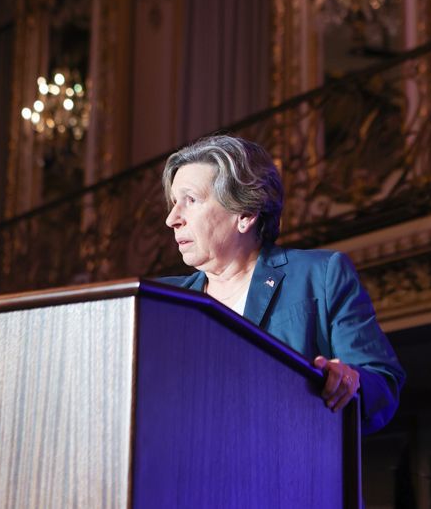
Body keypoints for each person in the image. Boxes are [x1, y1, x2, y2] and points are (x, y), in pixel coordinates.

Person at [157, 134, 405, 435]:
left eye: (190, 200)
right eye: (173, 203)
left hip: (288, 466)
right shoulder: (163, 301)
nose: (172, 218)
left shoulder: (320, 276)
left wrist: (349, 381)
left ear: (245, 214)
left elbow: (382, 382)